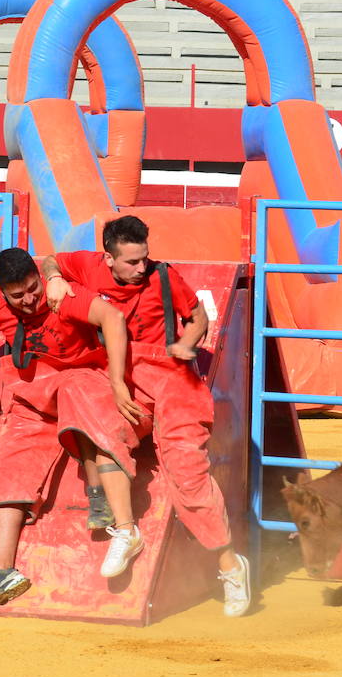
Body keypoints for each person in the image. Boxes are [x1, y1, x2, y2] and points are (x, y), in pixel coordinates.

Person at [41, 214, 252, 616]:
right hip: (122, 376)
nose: (142, 268)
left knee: (188, 473)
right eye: (132, 262)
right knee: (100, 427)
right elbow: (49, 258)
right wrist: (53, 276)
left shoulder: (165, 277)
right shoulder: (86, 265)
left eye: (145, 259)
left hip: (172, 381)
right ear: (108, 258)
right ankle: (125, 530)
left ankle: (230, 565)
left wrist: (187, 343)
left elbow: (198, 319)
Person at [0, 247, 145, 607]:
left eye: (33, 288)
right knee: (8, 470)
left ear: (39, 277)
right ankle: (2, 571)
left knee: (75, 392)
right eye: (18, 295)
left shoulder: (61, 293)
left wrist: (116, 381)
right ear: (2, 292)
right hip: (32, 395)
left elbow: (113, 318)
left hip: (83, 380)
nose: (30, 300)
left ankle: (107, 504)